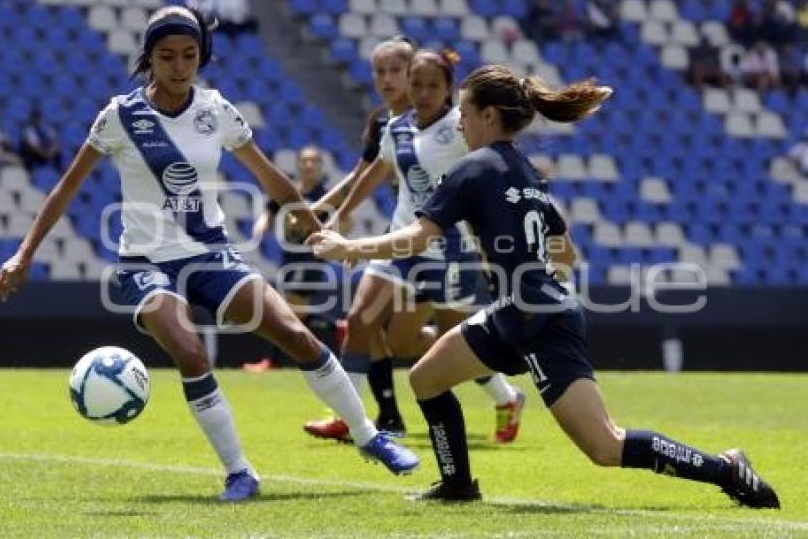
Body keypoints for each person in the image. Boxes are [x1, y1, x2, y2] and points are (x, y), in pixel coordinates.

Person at [0, 5, 418, 502]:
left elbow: (266, 174)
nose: (179, 65)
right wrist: (23, 254)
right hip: (145, 263)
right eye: (167, 55)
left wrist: (306, 217)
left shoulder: (216, 109)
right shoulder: (120, 117)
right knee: (192, 353)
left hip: (211, 252)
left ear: (202, 56)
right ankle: (240, 472)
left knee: (294, 334)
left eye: (189, 55)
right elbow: (65, 189)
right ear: (149, 58)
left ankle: (368, 436)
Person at [307, 64, 780, 508]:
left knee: (605, 446)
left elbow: (417, 238)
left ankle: (727, 468)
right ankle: (457, 485)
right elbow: (567, 254)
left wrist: (349, 249)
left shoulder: (474, 168)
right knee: (426, 378)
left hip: (539, 321)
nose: (461, 125)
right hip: (517, 310)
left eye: (466, 115)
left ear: (488, 116)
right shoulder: (528, 172)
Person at [305, 49, 524, 444]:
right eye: (416, 84)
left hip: (451, 253)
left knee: (443, 343)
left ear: (449, 90)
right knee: (359, 320)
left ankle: (507, 398)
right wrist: (340, 215)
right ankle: (348, 417)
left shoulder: (461, 129)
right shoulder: (397, 127)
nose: (422, 93)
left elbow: (493, 167)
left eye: (433, 86)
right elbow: (376, 171)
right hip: (401, 242)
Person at [248, 144, 337, 371]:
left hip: (311, 259)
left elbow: (346, 221)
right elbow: (270, 212)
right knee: (295, 313)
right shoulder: (289, 192)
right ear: (298, 164)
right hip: (288, 259)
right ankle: (336, 331)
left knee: (289, 311)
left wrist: (330, 228)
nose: (309, 165)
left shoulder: (326, 194)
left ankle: (275, 361)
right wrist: (261, 227)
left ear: (320, 166)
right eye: (305, 160)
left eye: (314, 161)